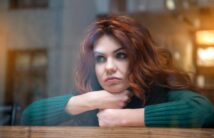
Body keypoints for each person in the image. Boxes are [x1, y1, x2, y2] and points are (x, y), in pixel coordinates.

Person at [21, 16, 214, 127]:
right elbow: (29, 116)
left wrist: (124, 118)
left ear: (138, 59)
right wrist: (92, 100)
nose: (109, 66)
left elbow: (205, 111)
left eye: (121, 55)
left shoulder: (159, 92)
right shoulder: (92, 99)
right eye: (100, 58)